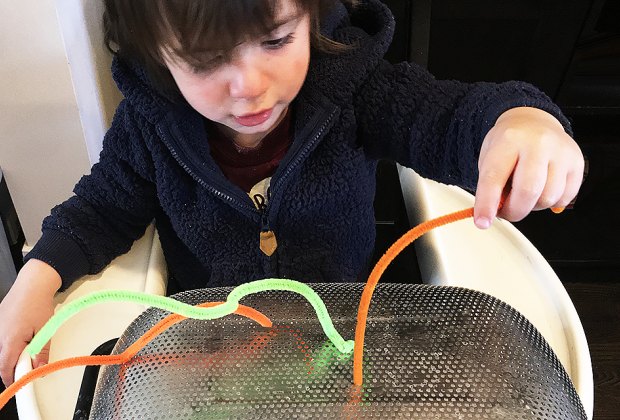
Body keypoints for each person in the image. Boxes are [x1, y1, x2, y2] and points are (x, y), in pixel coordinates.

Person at [0, 0, 584, 387]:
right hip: (211, 353)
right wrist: (37, 277)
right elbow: (101, 207)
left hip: (341, 342)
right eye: (205, 61)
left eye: (277, 40)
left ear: (310, 17)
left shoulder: (356, 93)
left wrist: (523, 122)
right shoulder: (149, 128)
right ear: (157, 56)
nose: (250, 85)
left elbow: (450, 117)